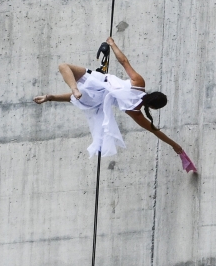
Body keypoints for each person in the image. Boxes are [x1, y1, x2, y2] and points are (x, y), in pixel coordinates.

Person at [33, 36, 196, 172]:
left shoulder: (139, 83)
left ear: (153, 93)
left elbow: (124, 61)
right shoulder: (135, 111)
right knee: (81, 98)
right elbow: (155, 131)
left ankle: (72, 89)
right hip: (98, 99)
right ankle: (52, 97)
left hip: (99, 81)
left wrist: (113, 44)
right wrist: (177, 147)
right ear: (152, 107)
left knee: (64, 67)